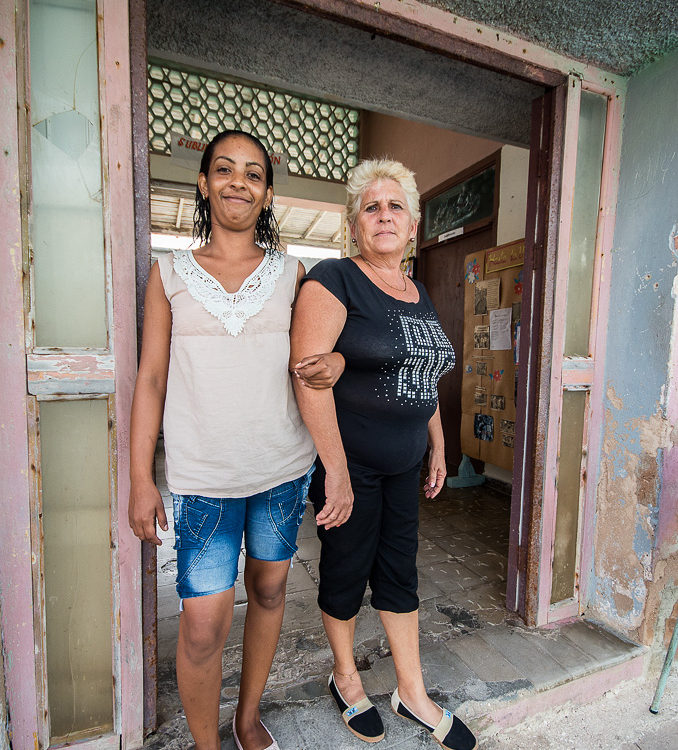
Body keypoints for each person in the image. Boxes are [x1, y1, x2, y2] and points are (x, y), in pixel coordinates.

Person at [128, 129, 344, 750]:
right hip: (202, 482)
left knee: (270, 591)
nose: (238, 183)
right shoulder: (167, 274)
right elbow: (150, 378)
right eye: (224, 170)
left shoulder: (293, 275)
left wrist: (340, 366)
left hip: (280, 471)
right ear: (203, 183)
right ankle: (207, 744)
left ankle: (247, 718)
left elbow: (319, 360)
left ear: (268, 194)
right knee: (201, 626)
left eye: (253, 174)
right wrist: (142, 478)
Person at [290, 159, 477, 750]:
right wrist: (338, 473)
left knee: (400, 574)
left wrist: (439, 446)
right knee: (346, 571)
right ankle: (346, 678)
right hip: (352, 464)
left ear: (414, 223)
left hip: (404, 464)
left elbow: (421, 379)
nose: (385, 216)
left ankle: (410, 691)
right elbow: (308, 378)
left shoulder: (417, 291)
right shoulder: (333, 279)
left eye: (395, 206)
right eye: (372, 207)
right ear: (355, 224)